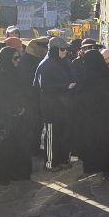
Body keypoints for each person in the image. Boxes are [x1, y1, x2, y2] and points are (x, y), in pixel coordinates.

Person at [73, 50, 109, 180]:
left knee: (92, 144)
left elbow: (80, 98)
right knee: (108, 144)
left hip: (91, 120)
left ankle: (92, 168)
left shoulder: (86, 78)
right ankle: (108, 170)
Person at [0, 47, 32, 182]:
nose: (18, 61)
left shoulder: (14, 71)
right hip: (5, 117)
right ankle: (4, 175)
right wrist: (14, 109)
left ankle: (18, 172)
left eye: (19, 57)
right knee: (5, 147)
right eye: (15, 58)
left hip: (17, 116)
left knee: (19, 146)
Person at [35, 37, 76, 171]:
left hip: (65, 106)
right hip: (51, 107)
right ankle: (51, 163)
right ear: (54, 50)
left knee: (65, 135)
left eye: (66, 49)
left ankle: (63, 160)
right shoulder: (46, 65)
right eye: (62, 49)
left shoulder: (65, 62)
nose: (65, 52)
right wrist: (66, 86)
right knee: (52, 136)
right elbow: (43, 86)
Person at [20, 38, 48, 158]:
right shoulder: (28, 61)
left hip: (34, 99)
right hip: (30, 100)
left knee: (37, 126)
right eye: (44, 48)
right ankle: (32, 150)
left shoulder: (33, 59)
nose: (46, 51)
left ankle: (34, 149)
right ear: (38, 48)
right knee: (32, 126)